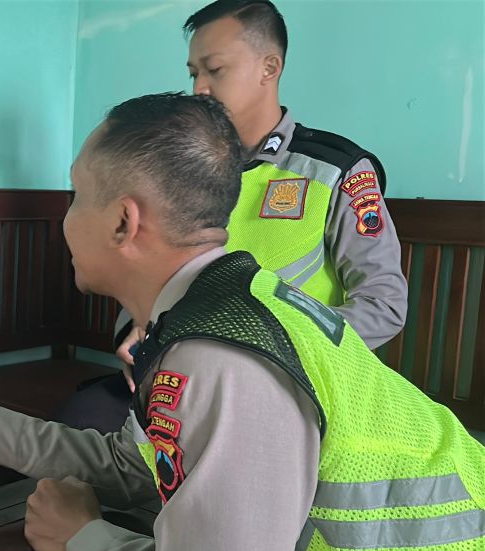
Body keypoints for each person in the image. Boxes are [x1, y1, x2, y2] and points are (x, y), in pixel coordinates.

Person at [0, 93, 485, 551]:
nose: (66, 216)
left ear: (124, 222)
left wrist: (84, 538)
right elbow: (134, 466)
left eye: (77, 195)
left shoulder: (223, 359)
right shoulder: (219, 306)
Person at [58, 0, 408, 433]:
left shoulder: (333, 169)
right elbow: (144, 263)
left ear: (269, 67)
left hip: (293, 386)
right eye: (193, 73)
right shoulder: (179, 164)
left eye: (215, 70)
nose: (200, 88)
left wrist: (267, 345)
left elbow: (383, 304)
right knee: (86, 420)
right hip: (180, 374)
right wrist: (136, 328)